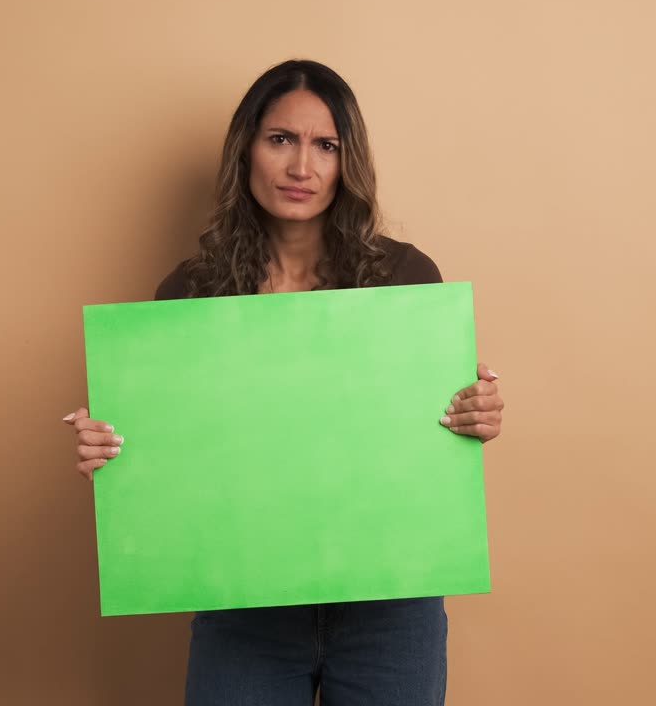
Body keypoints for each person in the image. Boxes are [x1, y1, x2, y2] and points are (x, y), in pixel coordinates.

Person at [62, 59, 505, 705]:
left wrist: (475, 415)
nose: (303, 167)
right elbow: (172, 461)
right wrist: (113, 448)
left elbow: (427, 441)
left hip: (389, 603)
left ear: (347, 161)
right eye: (281, 140)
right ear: (245, 150)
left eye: (326, 145)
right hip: (244, 607)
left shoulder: (404, 281)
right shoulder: (191, 292)